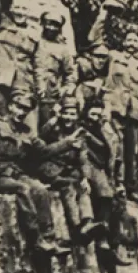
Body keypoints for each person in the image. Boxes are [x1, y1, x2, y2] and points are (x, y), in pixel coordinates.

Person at [0, 90, 79, 255]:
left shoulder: (26, 132)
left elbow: (44, 151)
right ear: (10, 106)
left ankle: (49, 238)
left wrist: (67, 143)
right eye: (18, 107)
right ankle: (35, 238)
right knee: (22, 189)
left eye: (25, 109)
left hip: (14, 172)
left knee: (41, 190)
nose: (21, 112)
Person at [100, 31, 138, 205]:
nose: (132, 43)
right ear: (123, 42)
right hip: (115, 109)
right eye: (128, 39)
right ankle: (113, 184)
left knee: (132, 153)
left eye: (135, 40)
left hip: (135, 112)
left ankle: (130, 188)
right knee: (113, 147)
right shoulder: (114, 57)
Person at [38, 96, 105, 245]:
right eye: (66, 113)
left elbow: (83, 158)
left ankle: (87, 222)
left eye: (73, 114)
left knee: (82, 188)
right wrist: (54, 119)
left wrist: (85, 178)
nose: (68, 118)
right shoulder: (52, 128)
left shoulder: (79, 132)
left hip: (67, 169)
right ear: (60, 113)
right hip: (50, 169)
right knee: (68, 187)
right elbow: (41, 145)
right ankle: (76, 226)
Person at [0, 0, 40, 135]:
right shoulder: (0, 21)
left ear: (30, 11)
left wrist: (39, 84)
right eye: (17, 7)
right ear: (11, 8)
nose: (20, 12)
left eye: (24, 9)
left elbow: (39, 61)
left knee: (28, 125)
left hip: (23, 82)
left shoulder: (35, 31)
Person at [80, 92, 123, 250]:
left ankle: (113, 245)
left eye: (98, 114)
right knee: (104, 193)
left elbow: (114, 156)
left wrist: (118, 181)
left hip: (101, 168)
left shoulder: (103, 129)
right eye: (92, 114)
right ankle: (102, 238)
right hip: (86, 165)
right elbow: (82, 154)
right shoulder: (82, 128)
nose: (95, 117)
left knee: (116, 203)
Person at [34, 10, 78, 128]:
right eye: (49, 23)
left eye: (56, 25)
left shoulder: (63, 49)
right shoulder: (34, 41)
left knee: (47, 128)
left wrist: (66, 88)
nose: (51, 28)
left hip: (50, 95)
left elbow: (71, 73)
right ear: (43, 23)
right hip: (28, 89)